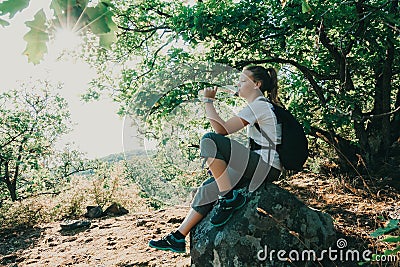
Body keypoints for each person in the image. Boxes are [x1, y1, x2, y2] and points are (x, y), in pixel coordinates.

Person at [148, 65, 283, 253]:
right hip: (257, 165)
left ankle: (228, 198)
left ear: (257, 84)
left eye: (243, 80)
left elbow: (221, 130)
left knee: (210, 139)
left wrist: (208, 102)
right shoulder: (257, 106)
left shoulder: (259, 105)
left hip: (266, 166)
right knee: (208, 188)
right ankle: (178, 237)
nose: (238, 83)